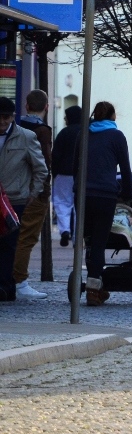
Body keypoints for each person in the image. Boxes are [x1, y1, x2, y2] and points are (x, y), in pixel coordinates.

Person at [80, 101, 132, 306]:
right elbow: (125, 169)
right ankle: (93, 289)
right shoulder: (116, 136)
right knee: (99, 242)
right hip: (105, 195)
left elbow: (76, 165)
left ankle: (94, 283)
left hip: (83, 194)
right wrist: (127, 193)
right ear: (113, 116)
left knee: (89, 241)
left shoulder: (84, 134)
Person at [0, 97, 48, 302]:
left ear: (13, 117)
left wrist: (32, 194)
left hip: (14, 199)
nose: (2, 122)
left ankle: (6, 287)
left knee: (9, 245)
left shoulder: (26, 137)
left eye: (6, 117)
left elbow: (41, 169)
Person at [12, 90, 53, 300]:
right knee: (26, 237)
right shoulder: (42, 131)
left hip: (12, 189)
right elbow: (44, 164)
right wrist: (42, 191)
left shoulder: (15, 128)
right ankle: (19, 281)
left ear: (26, 106)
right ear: (46, 107)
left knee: (11, 237)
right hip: (33, 193)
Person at [50, 105, 82, 246]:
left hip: (63, 173)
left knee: (62, 202)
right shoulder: (86, 132)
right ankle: (77, 237)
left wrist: (54, 172)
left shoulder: (64, 133)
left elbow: (55, 155)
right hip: (81, 174)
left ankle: (64, 230)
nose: (64, 119)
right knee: (79, 205)